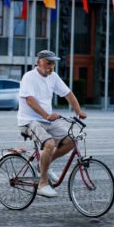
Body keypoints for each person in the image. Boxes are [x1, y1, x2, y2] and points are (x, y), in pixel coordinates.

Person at [17, 50, 87, 198]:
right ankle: (42, 184)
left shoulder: (53, 77)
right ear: (38, 62)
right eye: (48, 62)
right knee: (49, 144)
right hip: (29, 121)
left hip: (47, 120)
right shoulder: (29, 77)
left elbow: (68, 93)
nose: (51, 66)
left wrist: (78, 111)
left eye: (53, 63)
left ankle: (43, 165)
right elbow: (30, 100)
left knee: (71, 141)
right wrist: (46, 115)